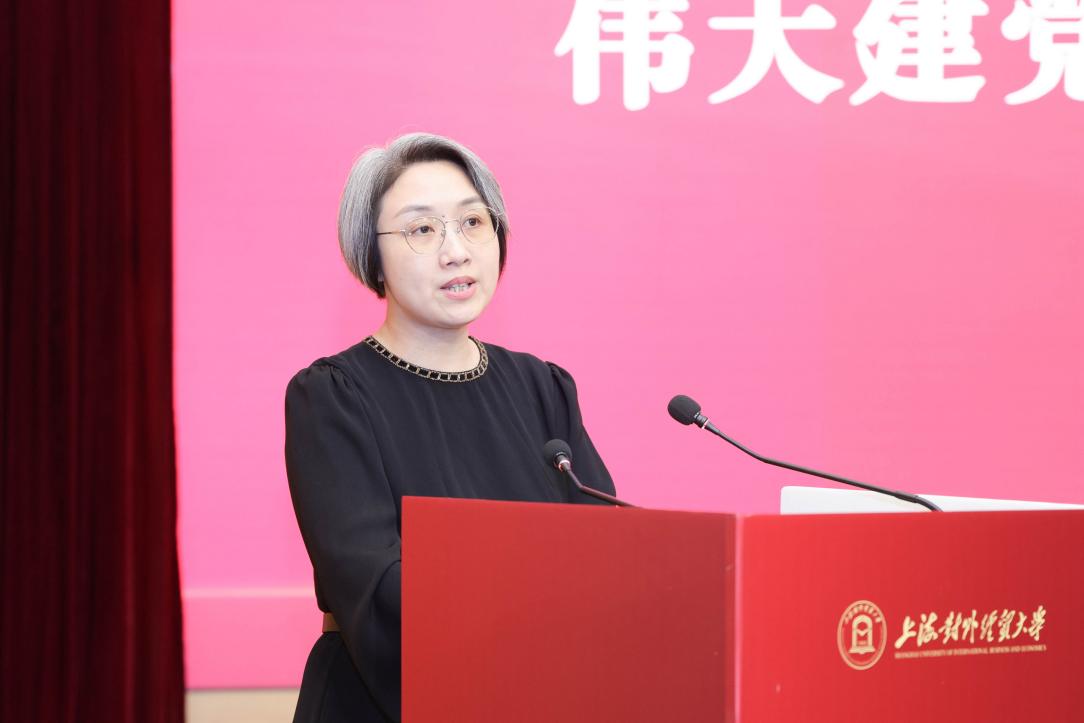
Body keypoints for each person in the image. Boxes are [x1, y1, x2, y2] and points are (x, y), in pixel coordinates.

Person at [284, 133, 616, 723]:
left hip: (537, 695)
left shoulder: (543, 388)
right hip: (389, 701)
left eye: (472, 222)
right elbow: (377, 589)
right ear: (372, 255)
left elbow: (607, 555)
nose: (456, 252)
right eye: (422, 229)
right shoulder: (334, 397)